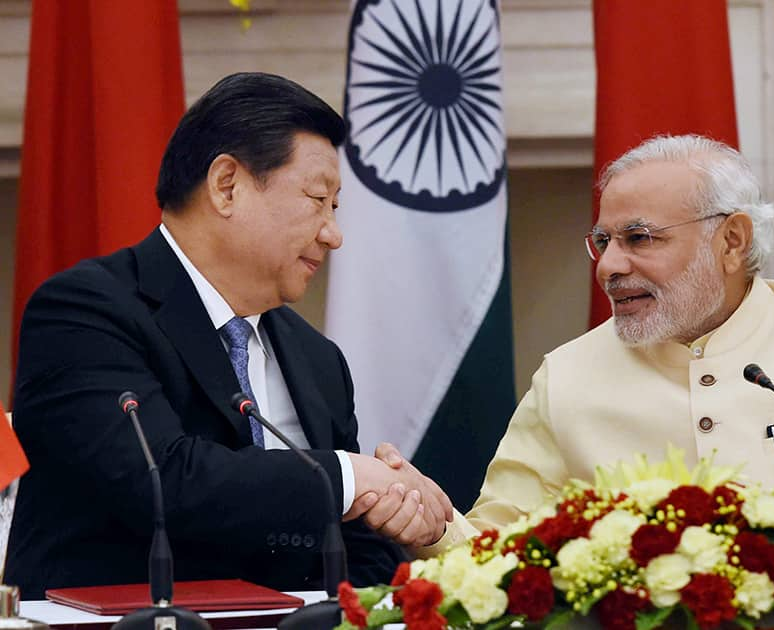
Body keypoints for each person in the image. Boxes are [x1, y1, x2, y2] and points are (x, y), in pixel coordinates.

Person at [410, 134, 774, 573]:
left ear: (731, 240)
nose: (609, 267)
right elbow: (500, 553)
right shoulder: (567, 375)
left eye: (640, 239)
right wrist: (434, 526)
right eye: (603, 241)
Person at [4, 72, 451, 598]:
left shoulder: (318, 360)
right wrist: (350, 478)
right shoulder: (84, 312)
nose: (334, 234)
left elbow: (357, 550)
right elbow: (161, 481)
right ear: (227, 185)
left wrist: (394, 519)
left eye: (336, 208)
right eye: (317, 199)